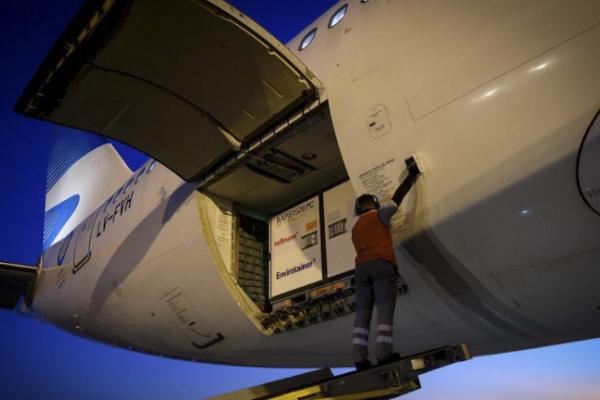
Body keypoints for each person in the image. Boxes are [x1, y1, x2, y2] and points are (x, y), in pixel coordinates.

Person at [351, 160, 420, 371]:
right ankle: (383, 355)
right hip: (382, 266)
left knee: (362, 315)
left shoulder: (355, 228)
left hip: (361, 270)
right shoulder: (380, 214)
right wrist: (412, 175)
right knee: (384, 312)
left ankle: (360, 359)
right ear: (375, 205)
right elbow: (397, 198)